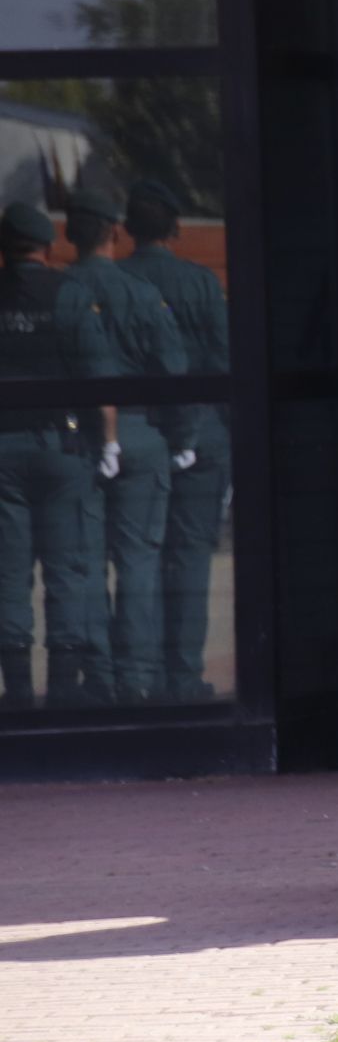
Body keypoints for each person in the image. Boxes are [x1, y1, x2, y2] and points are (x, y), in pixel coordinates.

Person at [56, 183, 191, 706]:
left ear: (70, 235)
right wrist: (184, 437)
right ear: (115, 231)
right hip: (139, 432)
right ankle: (136, 676)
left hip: (78, 439)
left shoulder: (62, 291)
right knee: (138, 561)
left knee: (86, 560)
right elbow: (173, 369)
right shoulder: (137, 291)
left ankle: (101, 674)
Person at [120, 180, 230, 704]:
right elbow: (223, 356)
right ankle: (182, 677)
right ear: (175, 229)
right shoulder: (200, 282)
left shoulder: (118, 281)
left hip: (134, 431)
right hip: (201, 433)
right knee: (188, 558)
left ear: (127, 230)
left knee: (137, 557)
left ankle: (135, 676)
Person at [0, 203, 102, 708]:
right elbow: (94, 377)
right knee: (66, 567)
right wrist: (102, 445)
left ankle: (17, 689)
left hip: (2, 450)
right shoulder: (70, 295)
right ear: (48, 246)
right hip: (60, 447)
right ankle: (64, 687)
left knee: (8, 572)